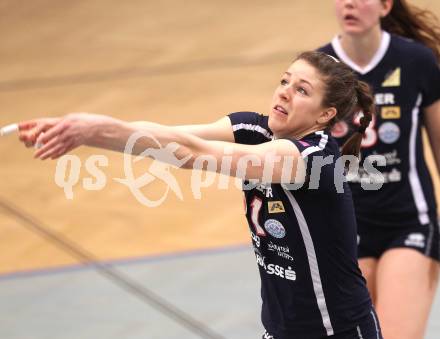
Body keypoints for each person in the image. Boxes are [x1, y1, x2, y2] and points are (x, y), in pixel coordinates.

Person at [18, 51, 382, 339]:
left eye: (302, 90)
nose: (285, 91)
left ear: (325, 115)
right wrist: (81, 130)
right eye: (285, 80)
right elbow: (166, 136)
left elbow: (195, 153)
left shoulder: (311, 156)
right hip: (281, 328)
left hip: (338, 330)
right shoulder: (254, 128)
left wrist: (97, 127)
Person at [318, 1, 440, 338]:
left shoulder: (415, 61)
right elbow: (300, 151)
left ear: (386, 6)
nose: (350, 4)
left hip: (408, 222)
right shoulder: (318, 70)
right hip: (344, 228)